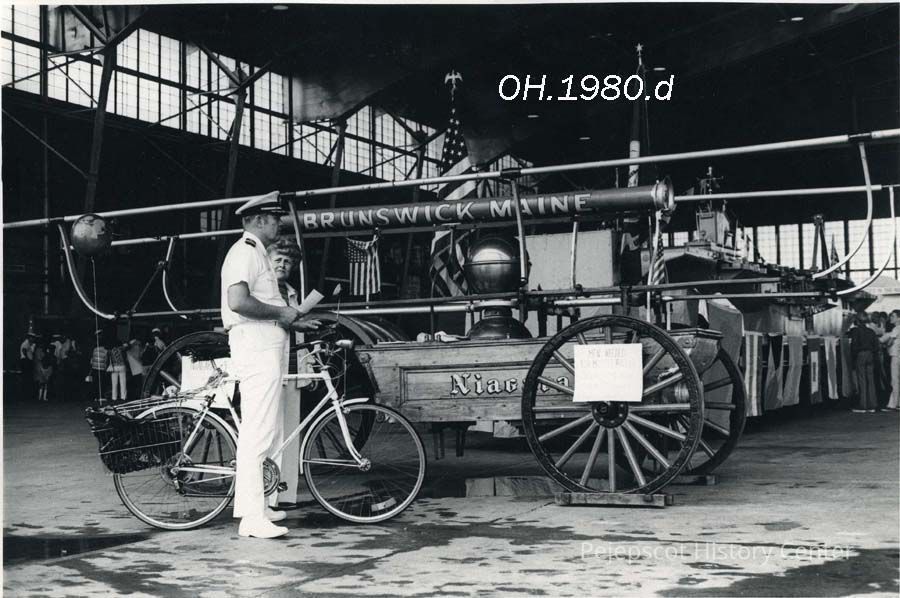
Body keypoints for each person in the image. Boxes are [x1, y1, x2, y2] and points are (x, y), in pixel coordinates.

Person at [220, 193, 320, 539]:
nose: (279, 224)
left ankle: (261, 506)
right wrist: (282, 313)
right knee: (258, 432)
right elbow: (238, 302)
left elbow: (263, 303)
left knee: (270, 430)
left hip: (266, 345)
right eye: (275, 218)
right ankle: (250, 518)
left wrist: (292, 319)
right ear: (259, 220)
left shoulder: (258, 254)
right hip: (255, 346)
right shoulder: (245, 252)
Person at [267, 237, 306, 510]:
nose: (282, 264)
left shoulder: (292, 293)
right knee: (269, 432)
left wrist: (306, 367)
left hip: (292, 366)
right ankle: (267, 496)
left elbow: (298, 333)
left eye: (288, 261)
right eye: (278, 259)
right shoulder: (262, 291)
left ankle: (286, 494)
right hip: (270, 364)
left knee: (291, 433)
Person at [848, 313, 880, 413]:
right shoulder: (871, 331)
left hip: (861, 355)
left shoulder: (856, 331)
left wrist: (853, 357)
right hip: (870, 355)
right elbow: (876, 346)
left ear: (857, 321)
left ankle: (863, 404)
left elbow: (854, 346)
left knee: (862, 379)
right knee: (870, 380)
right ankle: (873, 404)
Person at [880, 310, 900, 410]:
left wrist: (885, 345)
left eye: (893, 316)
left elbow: (890, 342)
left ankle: (894, 404)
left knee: (895, 380)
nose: (891, 318)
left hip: (896, 356)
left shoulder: (896, 328)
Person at [89, 330, 109, 403]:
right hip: (101, 368)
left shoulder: (95, 349)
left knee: (95, 383)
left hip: (94, 368)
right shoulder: (105, 351)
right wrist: (106, 368)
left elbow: (92, 359)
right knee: (102, 383)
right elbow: (106, 360)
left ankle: (95, 397)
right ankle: (101, 397)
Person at [108, 338, 128, 403]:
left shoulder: (110, 351)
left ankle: (114, 397)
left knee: (114, 383)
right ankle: (123, 397)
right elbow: (127, 346)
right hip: (122, 366)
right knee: (123, 382)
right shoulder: (121, 349)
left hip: (114, 367)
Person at [19, 332, 37, 400]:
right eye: (32, 337)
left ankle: (27, 395)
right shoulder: (25, 343)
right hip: (25, 361)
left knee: (28, 379)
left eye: (33, 337)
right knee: (25, 378)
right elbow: (24, 351)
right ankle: (24, 396)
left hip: (28, 361)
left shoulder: (30, 344)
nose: (33, 339)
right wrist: (28, 361)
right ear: (29, 337)